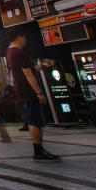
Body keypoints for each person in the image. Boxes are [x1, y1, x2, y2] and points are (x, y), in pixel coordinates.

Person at [6, 31, 60, 162]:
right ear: (19, 37)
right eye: (24, 37)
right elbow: (27, 74)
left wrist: (36, 68)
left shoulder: (10, 52)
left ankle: (39, 149)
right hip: (27, 91)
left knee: (33, 119)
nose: (25, 40)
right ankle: (38, 151)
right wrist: (39, 92)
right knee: (35, 120)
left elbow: (24, 71)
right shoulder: (18, 52)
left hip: (21, 90)